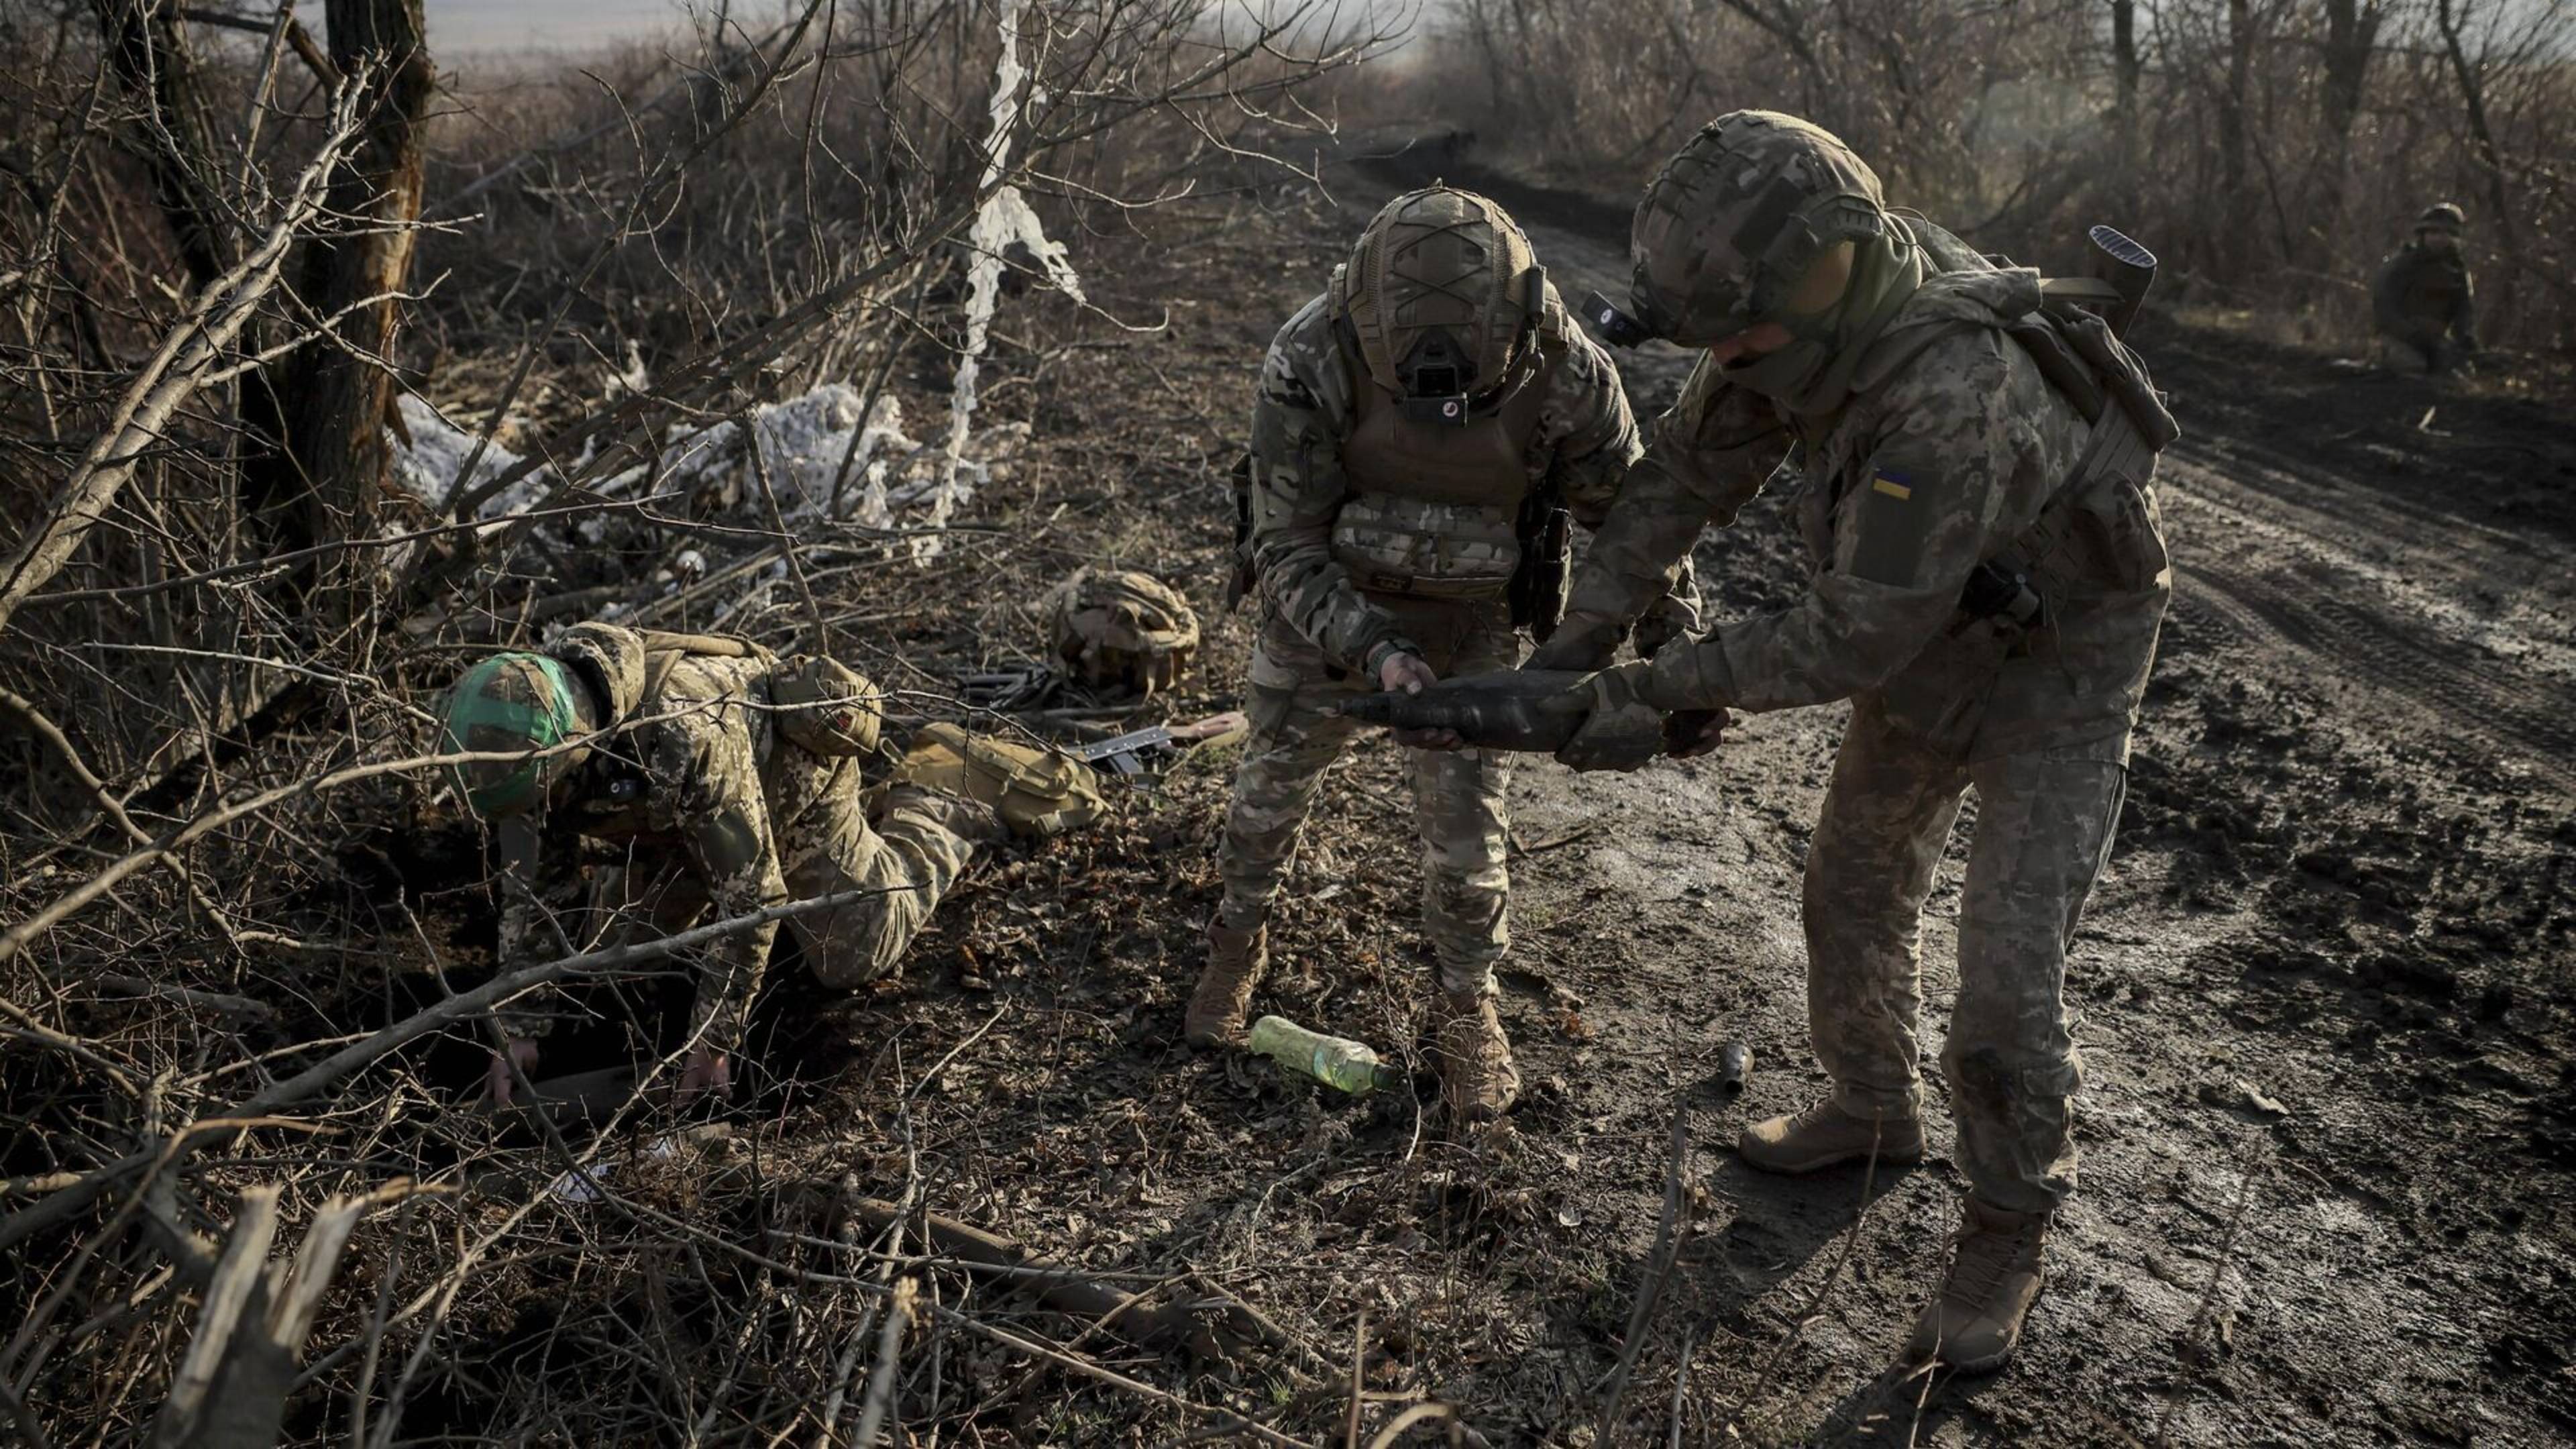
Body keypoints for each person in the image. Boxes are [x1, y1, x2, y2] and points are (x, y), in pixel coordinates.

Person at [1523, 111, 2178, 1368]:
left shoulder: (1950, 391)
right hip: (1940, 617)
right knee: (1855, 888)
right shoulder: (1793, 314)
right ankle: (1872, 1110)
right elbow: (1682, 479)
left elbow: (1847, 639)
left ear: (1820, 278)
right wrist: (1572, 646)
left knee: (2004, 975)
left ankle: (2005, 1226)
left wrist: (1646, 692)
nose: (1731, 356)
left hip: (2062, 664)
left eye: (1741, 334)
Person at [1191, 184, 1699, 1124]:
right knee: (1264, 803)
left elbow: (1635, 527)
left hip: (1473, 621)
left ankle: (1468, 1007)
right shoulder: (1315, 353)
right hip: (1326, 610)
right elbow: (1285, 545)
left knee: (1469, 849)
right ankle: (1236, 944)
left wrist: (1682, 650)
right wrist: (1375, 649)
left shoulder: (1567, 373)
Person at [439, 623, 1102, 1104]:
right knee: (616, 965)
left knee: (853, 955)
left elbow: (755, 898)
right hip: (671, 821)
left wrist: (713, 1042)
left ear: (572, 753)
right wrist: (521, 1029)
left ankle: (940, 792)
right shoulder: (520, 733)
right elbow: (536, 889)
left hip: (788, 785)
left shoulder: (680, 732)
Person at [2371, 203, 2478, 375]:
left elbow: (2464, 311)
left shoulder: (2457, 271)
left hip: (2435, 339)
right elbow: (2385, 311)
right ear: (2423, 235)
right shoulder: (2402, 266)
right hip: (2399, 339)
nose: (2440, 238)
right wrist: (2412, 336)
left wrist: (2465, 340)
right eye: (2434, 233)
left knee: (2461, 374)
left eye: (2447, 234)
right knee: (2412, 368)